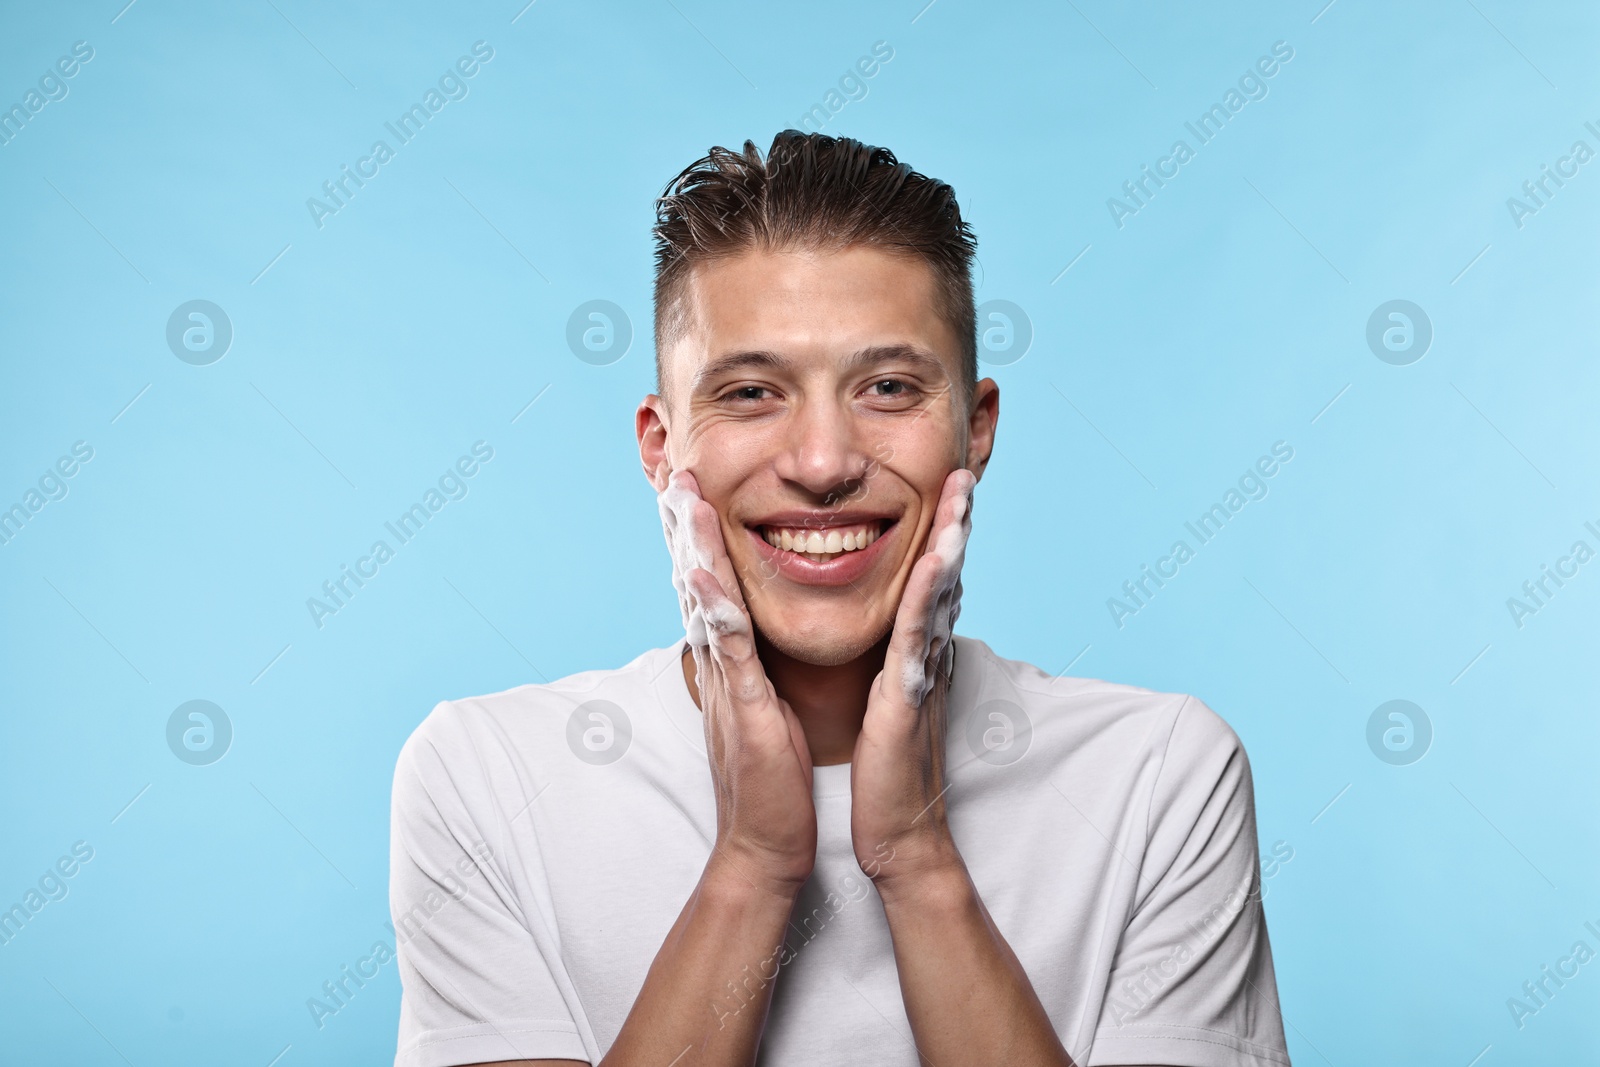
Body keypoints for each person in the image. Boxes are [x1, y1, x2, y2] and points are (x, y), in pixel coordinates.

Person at [388, 130, 1291, 1067]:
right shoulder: (482, 777)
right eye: (749, 392)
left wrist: (917, 855)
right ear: (661, 446)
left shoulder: (1161, 777)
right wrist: (752, 864)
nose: (823, 464)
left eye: (889, 387)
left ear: (975, 429)